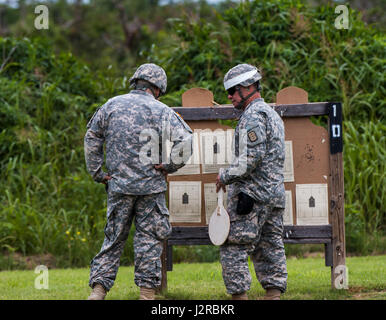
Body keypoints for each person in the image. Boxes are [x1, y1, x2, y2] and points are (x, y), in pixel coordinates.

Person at [84, 63, 193, 300]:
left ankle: (98, 291)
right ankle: (146, 295)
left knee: (113, 238)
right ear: (158, 87)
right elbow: (186, 141)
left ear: (136, 82)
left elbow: (92, 136)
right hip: (150, 189)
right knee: (150, 240)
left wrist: (98, 173)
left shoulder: (110, 105)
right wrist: (169, 166)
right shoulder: (162, 110)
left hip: (119, 186)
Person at [215, 63, 287, 300]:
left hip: (251, 197)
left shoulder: (253, 117)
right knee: (271, 247)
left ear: (248, 87)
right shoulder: (272, 114)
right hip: (274, 197)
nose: (229, 96)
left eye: (233, 90)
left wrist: (224, 175)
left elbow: (250, 159)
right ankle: (273, 296)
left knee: (233, 247)